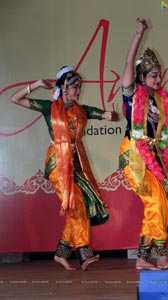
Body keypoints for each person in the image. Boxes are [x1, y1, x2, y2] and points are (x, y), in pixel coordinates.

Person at [11, 66, 119, 271]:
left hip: (77, 165)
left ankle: (61, 254)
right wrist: (35, 84)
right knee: (76, 205)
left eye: (79, 86)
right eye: (74, 86)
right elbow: (14, 99)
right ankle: (83, 253)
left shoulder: (81, 110)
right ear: (64, 87)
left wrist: (110, 116)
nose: (78, 90)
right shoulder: (48, 107)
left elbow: (104, 115)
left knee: (78, 208)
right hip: (57, 165)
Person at [119, 18, 168, 270]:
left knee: (164, 202)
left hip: (155, 155)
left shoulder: (164, 99)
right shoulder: (133, 94)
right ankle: (143, 257)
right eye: (153, 75)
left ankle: (161, 255)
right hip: (134, 155)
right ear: (142, 77)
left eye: (159, 75)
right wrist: (138, 34)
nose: (158, 78)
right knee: (155, 202)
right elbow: (127, 64)